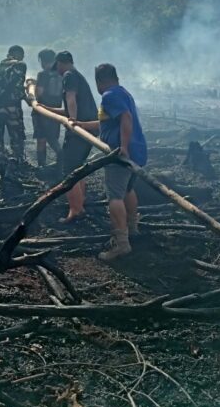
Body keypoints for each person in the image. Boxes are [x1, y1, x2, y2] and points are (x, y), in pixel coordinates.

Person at [74, 63, 147, 261]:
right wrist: (81, 125)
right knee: (127, 191)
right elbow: (107, 123)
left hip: (120, 154)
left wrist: (122, 147)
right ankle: (132, 229)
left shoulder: (110, 96)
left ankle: (121, 243)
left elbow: (126, 118)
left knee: (114, 196)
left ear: (100, 81)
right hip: (136, 152)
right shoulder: (123, 93)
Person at [39, 51, 98, 221]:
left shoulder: (68, 75)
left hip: (80, 128)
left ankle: (76, 209)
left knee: (69, 171)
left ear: (61, 63)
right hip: (89, 127)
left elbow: (71, 100)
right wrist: (46, 108)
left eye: (56, 66)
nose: (56, 70)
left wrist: (72, 121)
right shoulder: (77, 76)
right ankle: (80, 204)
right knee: (77, 166)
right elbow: (69, 107)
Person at [0, 45, 28, 178]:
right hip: (11, 106)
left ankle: (0, 161)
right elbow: (17, 87)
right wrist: (27, 98)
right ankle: (17, 162)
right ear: (19, 55)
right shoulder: (20, 65)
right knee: (16, 135)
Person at [32, 49, 63, 167]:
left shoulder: (43, 74)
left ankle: (42, 165)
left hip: (42, 111)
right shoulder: (60, 74)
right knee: (53, 137)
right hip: (56, 111)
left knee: (41, 139)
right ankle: (61, 161)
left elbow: (39, 93)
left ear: (42, 61)